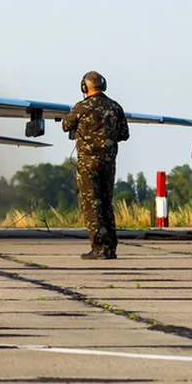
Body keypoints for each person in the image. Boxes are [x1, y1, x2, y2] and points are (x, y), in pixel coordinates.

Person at [61, 71, 130, 260]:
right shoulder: (116, 107)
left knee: (91, 205)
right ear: (103, 85)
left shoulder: (81, 107)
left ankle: (99, 248)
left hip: (88, 163)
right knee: (106, 204)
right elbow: (124, 134)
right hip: (108, 162)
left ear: (85, 87)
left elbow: (66, 125)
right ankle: (111, 247)